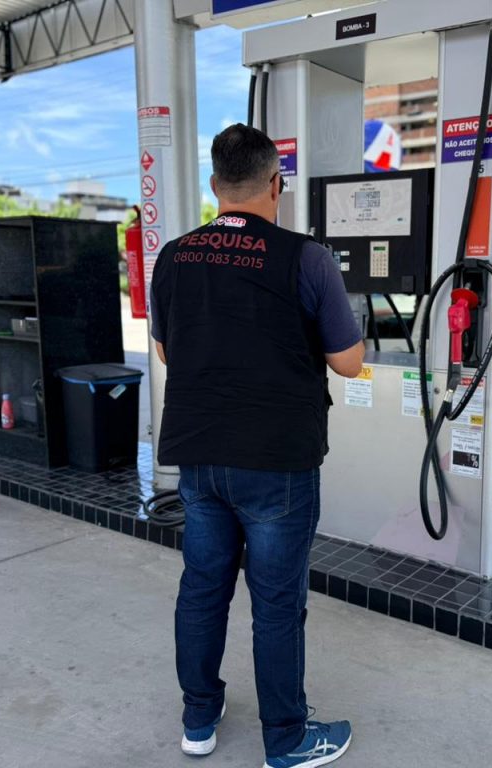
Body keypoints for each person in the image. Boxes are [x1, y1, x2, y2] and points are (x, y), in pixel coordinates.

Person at [150, 124, 364, 768]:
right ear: (277, 184)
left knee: (202, 588)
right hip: (277, 460)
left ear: (215, 185)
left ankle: (198, 719)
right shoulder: (307, 257)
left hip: (199, 454)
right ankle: (287, 739)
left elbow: (167, 350)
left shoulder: (173, 257)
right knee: (276, 603)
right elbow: (349, 362)